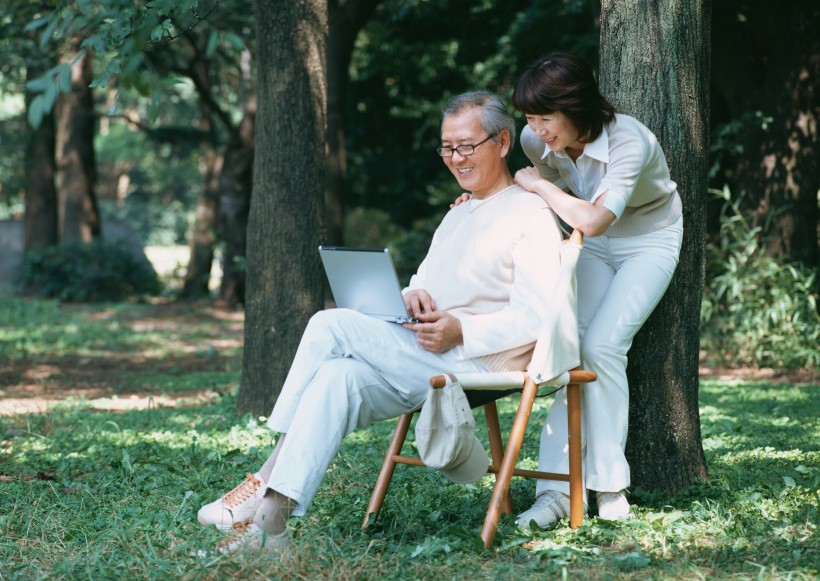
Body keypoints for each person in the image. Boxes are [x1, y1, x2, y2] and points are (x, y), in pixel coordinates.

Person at [196, 91, 565, 556]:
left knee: (330, 325)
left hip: (471, 363)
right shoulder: (457, 214)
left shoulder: (529, 213)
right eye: (447, 147)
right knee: (336, 377)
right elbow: (424, 280)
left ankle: (263, 477)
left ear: (503, 141)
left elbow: (536, 316)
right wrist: (410, 295)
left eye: (467, 146)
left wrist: (461, 331)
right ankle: (272, 528)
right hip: (420, 352)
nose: (456, 158)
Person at [509, 52, 684, 527]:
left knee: (603, 346)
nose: (537, 129)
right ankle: (554, 493)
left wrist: (540, 188)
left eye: (547, 117)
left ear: (577, 107)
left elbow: (592, 216)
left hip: (647, 240)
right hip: (590, 244)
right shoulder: (533, 139)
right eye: (531, 117)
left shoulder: (630, 139)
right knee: (566, 349)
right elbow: (539, 201)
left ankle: (609, 487)